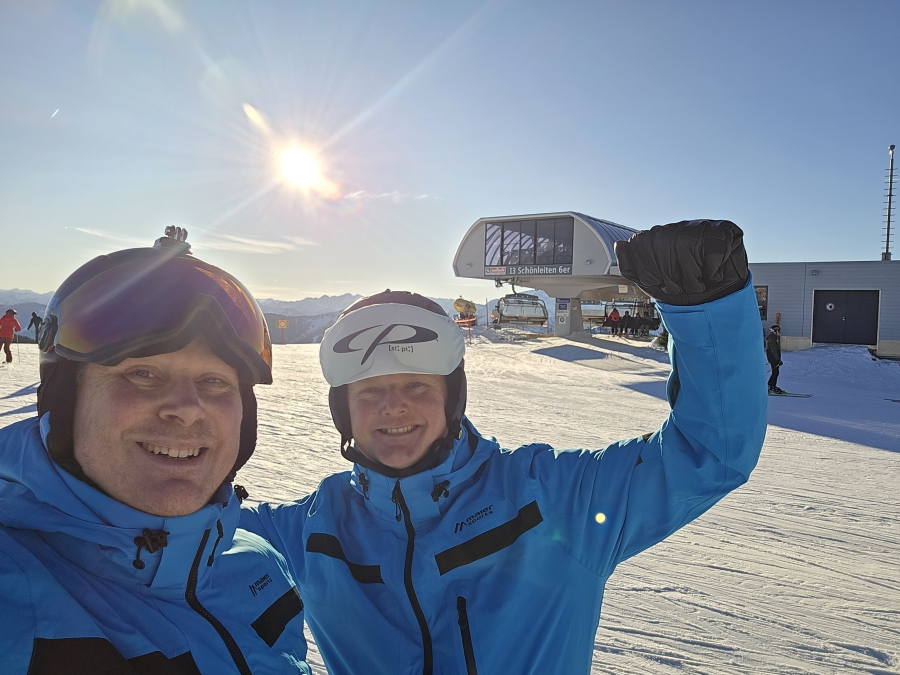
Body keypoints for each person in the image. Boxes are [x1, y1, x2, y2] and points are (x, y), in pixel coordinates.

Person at [242, 219, 768, 675]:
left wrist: (708, 312)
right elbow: (185, 532)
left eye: (417, 386)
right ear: (344, 411)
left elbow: (709, 454)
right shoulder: (313, 531)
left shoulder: (552, 500)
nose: (393, 408)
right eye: (370, 391)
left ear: (452, 399)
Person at [0, 227, 310, 674]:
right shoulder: (16, 590)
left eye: (215, 382)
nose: (186, 410)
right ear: (66, 401)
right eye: (142, 374)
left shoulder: (254, 564)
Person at [766, 324, 784, 394]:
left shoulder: (775, 337)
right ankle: (771, 385)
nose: (779, 332)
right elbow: (773, 350)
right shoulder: (772, 338)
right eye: (778, 330)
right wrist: (777, 360)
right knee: (775, 372)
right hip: (772, 357)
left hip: (774, 357)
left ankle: (772, 385)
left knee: (776, 372)